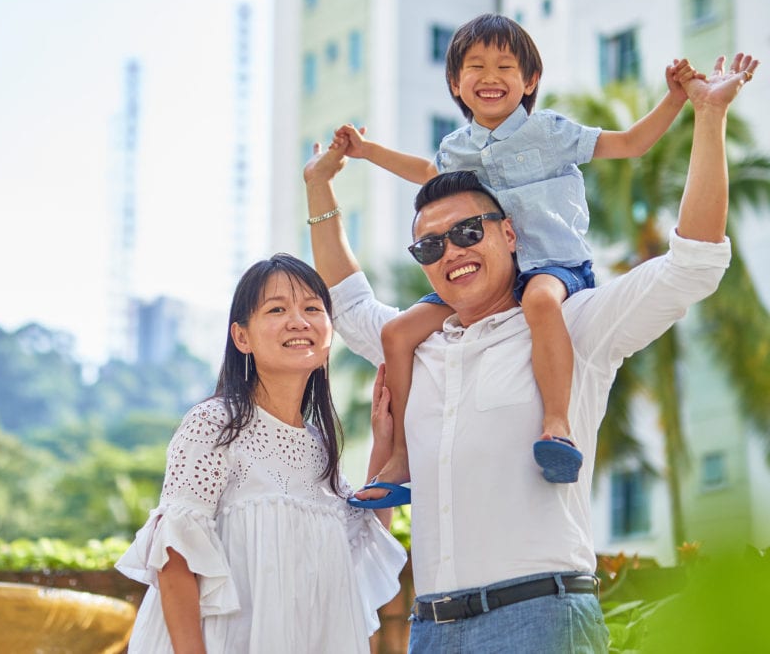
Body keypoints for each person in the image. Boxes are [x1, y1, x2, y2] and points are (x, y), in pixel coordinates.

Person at [303, 54, 757, 652]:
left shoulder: (573, 325)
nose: (451, 252)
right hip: (431, 629)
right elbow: (349, 304)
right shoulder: (422, 345)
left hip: (540, 620)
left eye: (469, 232)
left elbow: (691, 264)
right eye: (430, 246)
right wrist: (319, 184)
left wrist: (707, 116)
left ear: (509, 233)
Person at [333, 14, 699, 501]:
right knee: (396, 333)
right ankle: (400, 456)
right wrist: (367, 150)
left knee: (541, 304)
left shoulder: (551, 131)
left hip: (553, 266)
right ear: (455, 84)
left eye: (505, 66)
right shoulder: (455, 148)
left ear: (529, 81)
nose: (490, 77)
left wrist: (676, 97)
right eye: (476, 66)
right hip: (486, 276)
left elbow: (632, 143)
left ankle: (556, 426)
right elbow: (426, 171)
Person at [115, 253, 408, 654]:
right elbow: (175, 558)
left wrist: (385, 443)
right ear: (242, 337)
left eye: (312, 308)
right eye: (277, 309)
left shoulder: (321, 447)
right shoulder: (214, 424)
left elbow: (359, 549)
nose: (298, 321)